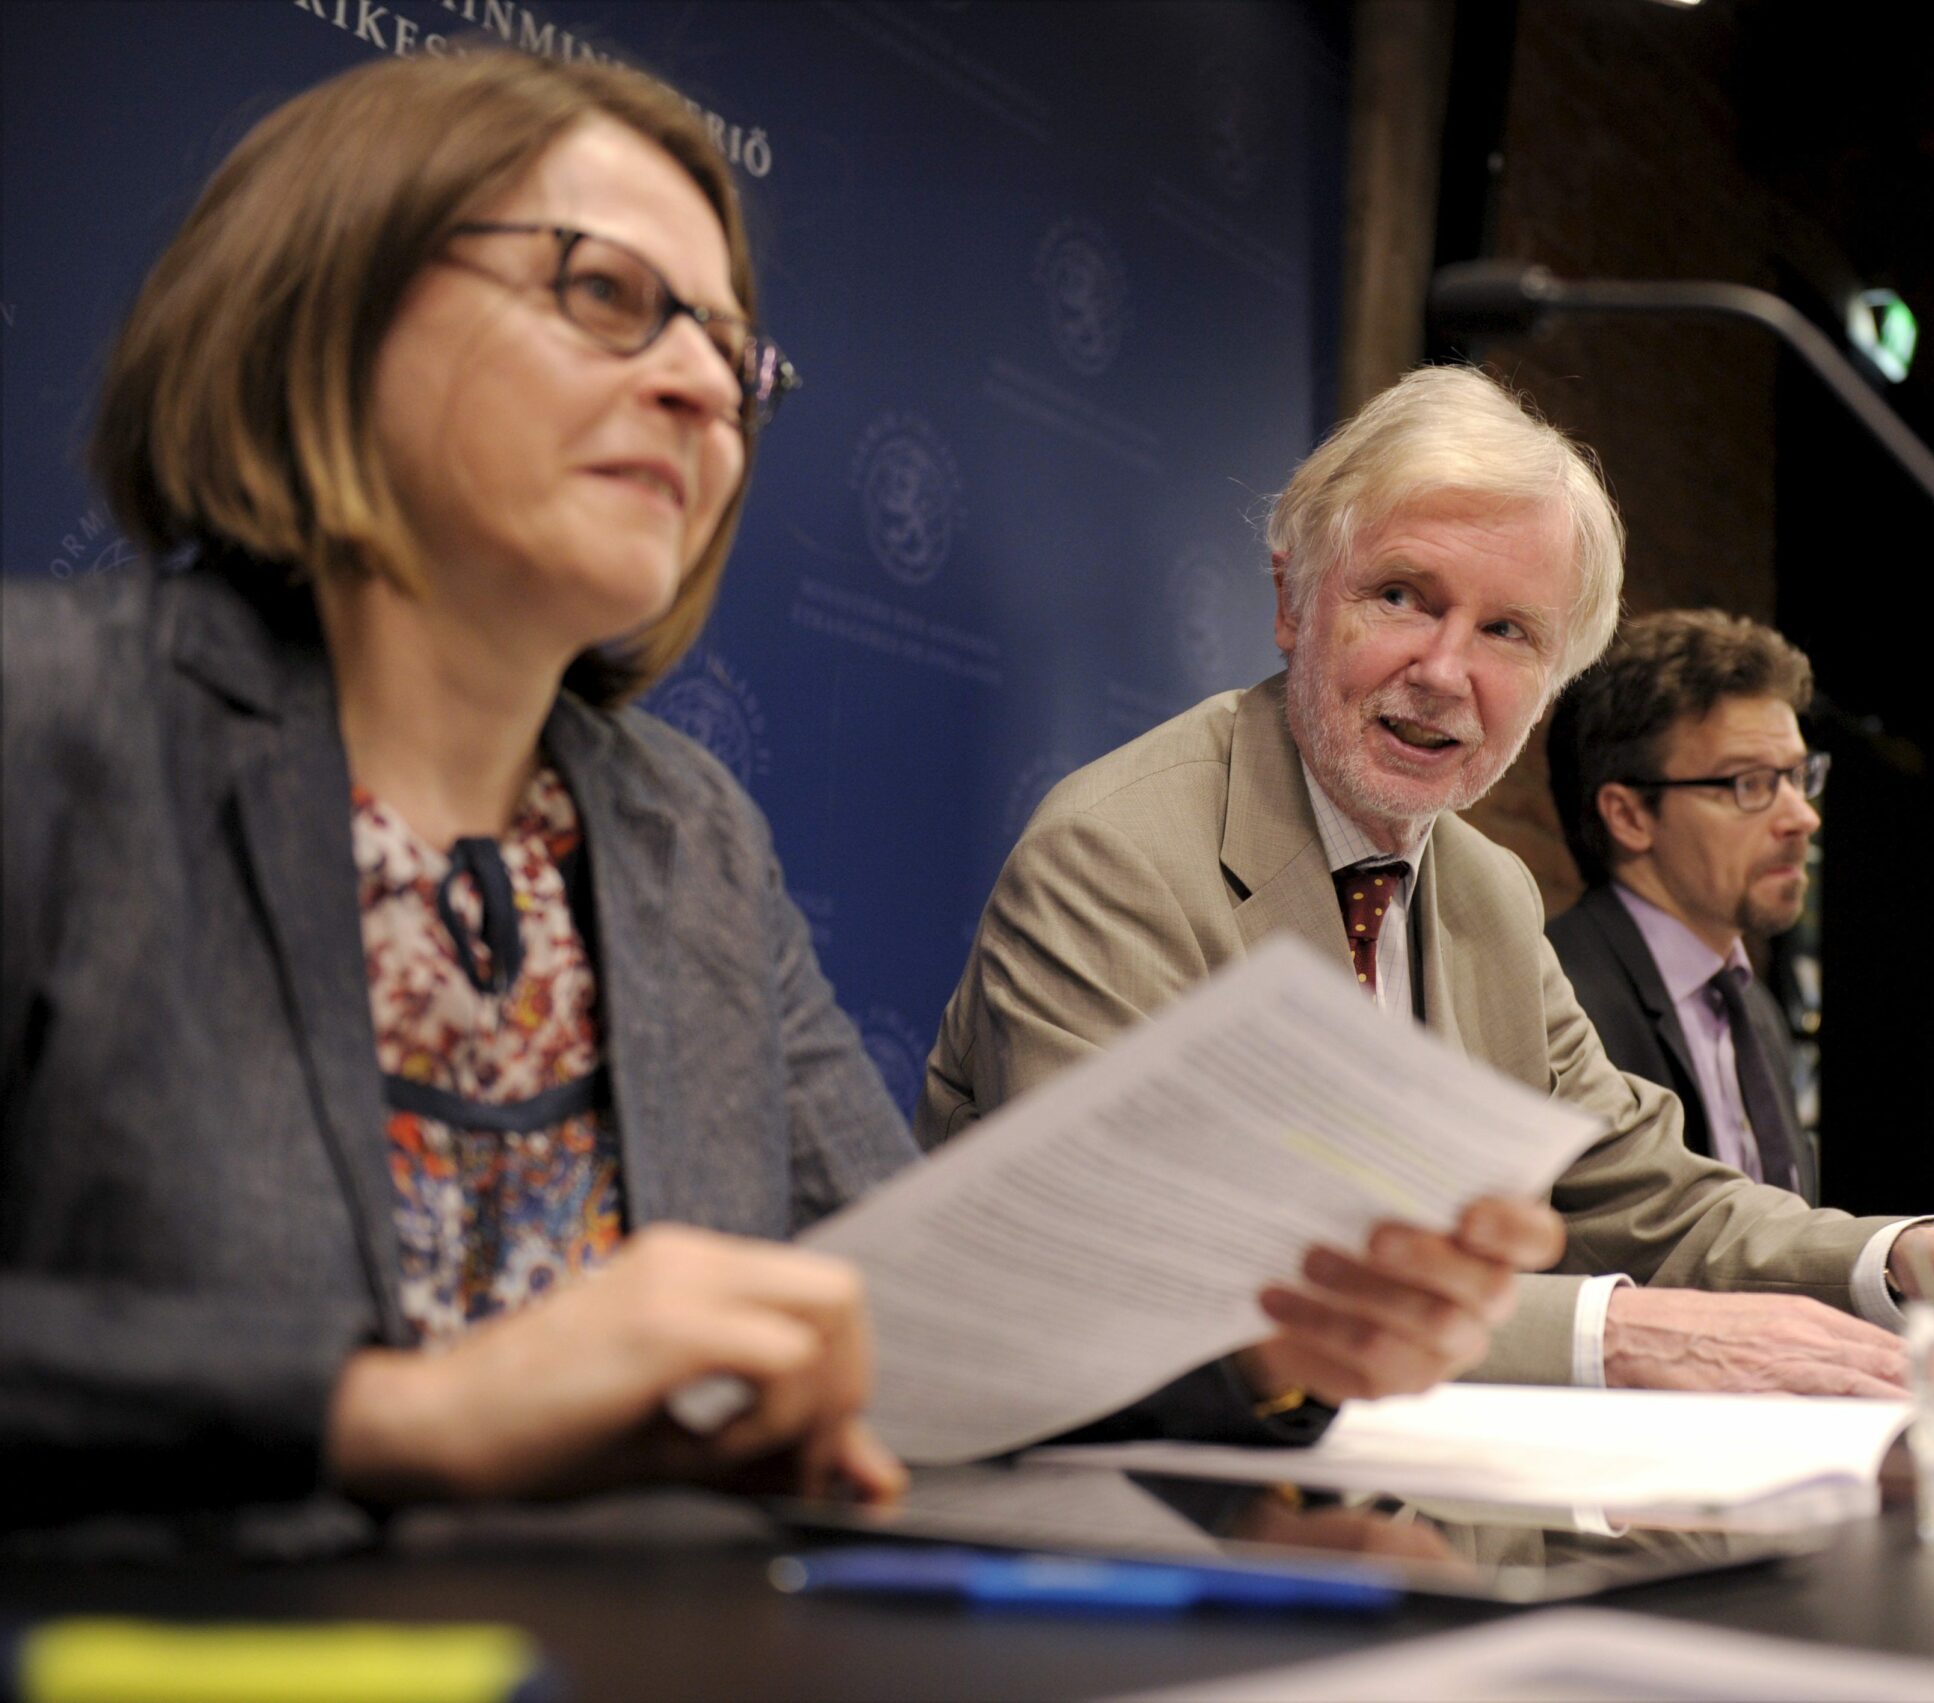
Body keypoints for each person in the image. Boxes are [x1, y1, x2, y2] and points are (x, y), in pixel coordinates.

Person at [0, 50, 1552, 1544]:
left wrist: (1269, 1339)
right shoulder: (51, 721)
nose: (701, 384)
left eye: (731, 351)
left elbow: (914, 1323)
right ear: (328, 303)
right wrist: (393, 1412)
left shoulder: (685, 835)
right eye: (607, 296)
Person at [920, 365, 1934, 1400]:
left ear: (1548, 682)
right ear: (1292, 601)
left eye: (1506, 631)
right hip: (1149, 1528)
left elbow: (1645, 1192)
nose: (1443, 671)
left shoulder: (1482, 888)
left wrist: (1922, 1254)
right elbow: (1148, 1271)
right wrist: (1618, 1334)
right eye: (1401, 596)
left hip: (1427, 1511)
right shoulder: (1120, 854)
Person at [1544, 610, 1825, 1203]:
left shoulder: (1754, 1008)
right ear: (1630, 816)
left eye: (1799, 776)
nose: (1802, 817)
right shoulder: (1555, 1001)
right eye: (1750, 783)